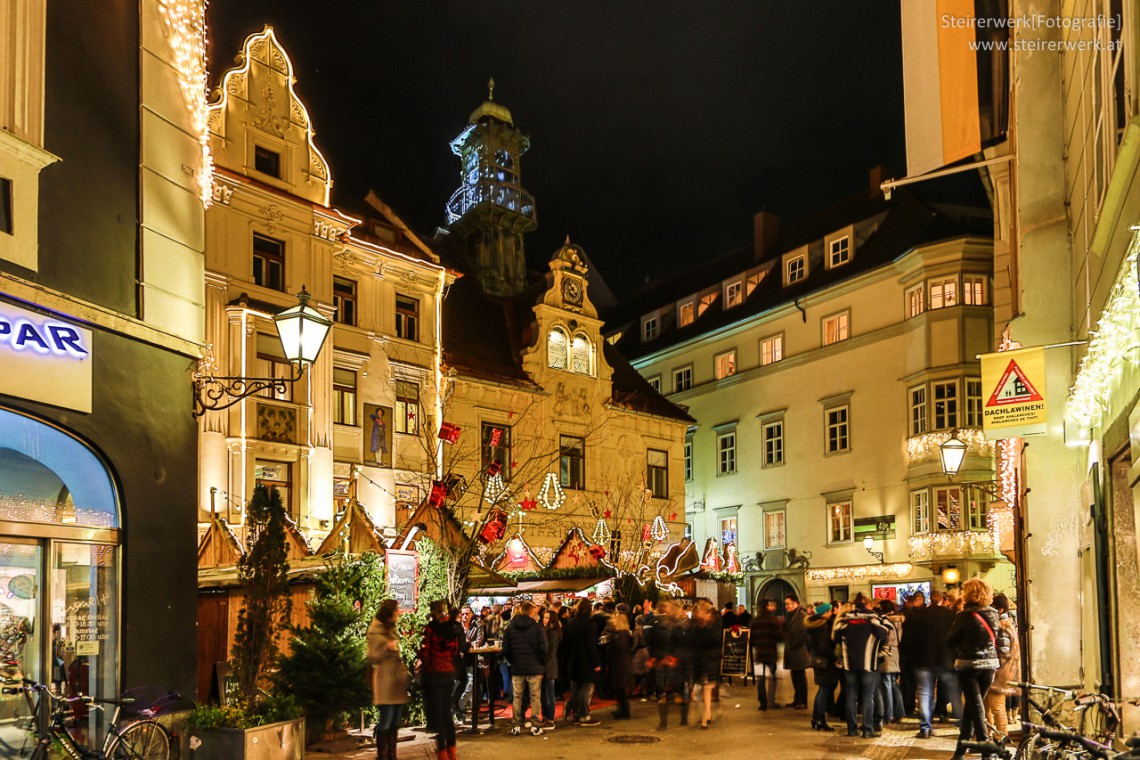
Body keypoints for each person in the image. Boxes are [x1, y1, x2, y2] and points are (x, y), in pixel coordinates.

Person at [946, 578, 1001, 760]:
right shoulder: (994, 613)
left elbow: (950, 641)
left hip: (968, 665)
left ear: (968, 594)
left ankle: (986, 748)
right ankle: (960, 750)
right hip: (990, 665)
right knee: (972, 705)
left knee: (976, 707)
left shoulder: (964, 615)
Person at [833, 593, 891, 738]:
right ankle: (867, 729)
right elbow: (885, 634)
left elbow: (836, 637)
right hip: (868, 663)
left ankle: (852, 729)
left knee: (851, 695)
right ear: (866, 603)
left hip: (849, 663)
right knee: (867, 696)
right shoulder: (873, 618)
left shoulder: (845, 618)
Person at [907, 591, 962, 738]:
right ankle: (964, 724)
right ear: (943, 600)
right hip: (946, 660)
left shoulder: (921, 616)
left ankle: (925, 728)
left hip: (924, 660)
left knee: (925, 694)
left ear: (929, 599)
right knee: (953, 693)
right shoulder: (950, 616)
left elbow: (913, 639)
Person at [367, 600, 410, 760]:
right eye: (396, 610)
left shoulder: (392, 629)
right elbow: (372, 658)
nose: (399, 612)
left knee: (395, 721)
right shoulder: (375, 631)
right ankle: (382, 756)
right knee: (386, 721)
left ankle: (392, 755)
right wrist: (387, 648)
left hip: (397, 681)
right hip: (385, 681)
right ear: (389, 613)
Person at [418, 600, 459, 760]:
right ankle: (452, 752)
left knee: (438, 715)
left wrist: (420, 660)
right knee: (447, 714)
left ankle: (442, 752)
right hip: (448, 674)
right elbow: (454, 651)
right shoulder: (451, 629)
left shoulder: (430, 630)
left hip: (434, 674)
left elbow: (426, 652)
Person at [502, 600, 547, 736]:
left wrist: (514, 661)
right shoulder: (537, 627)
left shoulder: (511, 627)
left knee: (517, 697)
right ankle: (535, 725)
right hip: (534, 667)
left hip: (517, 667)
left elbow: (506, 649)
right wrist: (541, 664)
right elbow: (544, 648)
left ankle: (516, 724)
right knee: (535, 697)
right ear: (531, 612)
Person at [984, 593, 1020, 740]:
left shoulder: (1002, 626)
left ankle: (1001, 739)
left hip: (999, 671)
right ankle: (988, 736)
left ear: (999, 610)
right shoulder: (1007, 624)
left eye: (992, 607)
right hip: (996, 670)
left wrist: (997, 667)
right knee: (987, 706)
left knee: (997, 708)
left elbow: (1004, 652)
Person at [654, 600, 691, 730]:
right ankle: (663, 722)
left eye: (669, 608)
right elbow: (658, 642)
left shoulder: (680, 626)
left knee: (679, 693)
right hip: (666, 662)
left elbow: (683, 645)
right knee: (665, 694)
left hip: (677, 664)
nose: (666, 610)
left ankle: (683, 719)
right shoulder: (662, 624)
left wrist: (674, 657)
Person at [688, 600, 723, 729]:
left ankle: (706, 715)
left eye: (701, 612)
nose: (700, 614)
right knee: (700, 691)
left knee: (706, 689)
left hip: (709, 661)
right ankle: (706, 714)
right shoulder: (696, 625)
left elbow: (714, 641)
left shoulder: (714, 624)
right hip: (699, 661)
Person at [568, 600, 602, 725]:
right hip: (586, 660)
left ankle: (576, 713)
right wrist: (596, 663)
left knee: (576, 688)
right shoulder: (589, 623)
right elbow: (591, 644)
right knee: (586, 688)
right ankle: (584, 715)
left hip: (574, 659)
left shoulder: (571, 622)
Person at [805, 601, 838, 731]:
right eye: (830, 611)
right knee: (824, 690)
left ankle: (816, 718)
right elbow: (824, 647)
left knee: (822, 690)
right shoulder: (823, 626)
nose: (831, 614)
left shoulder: (812, 625)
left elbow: (809, 645)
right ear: (825, 613)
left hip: (816, 660)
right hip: (825, 662)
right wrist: (834, 657)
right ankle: (819, 719)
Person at [876, 599, 906, 727]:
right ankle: (899, 711)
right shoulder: (899, 621)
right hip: (896, 651)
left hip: (887, 650)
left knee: (886, 683)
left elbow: (883, 639)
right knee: (893, 683)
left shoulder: (886, 622)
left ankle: (889, 714)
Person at [749, 599, 780, 711]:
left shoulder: (755, 621)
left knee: (761, 679)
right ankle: (771, 701)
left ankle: (762, 702)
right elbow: (779, 636)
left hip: (760, 653)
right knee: (772, 677)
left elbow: (751, 639)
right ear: (767, 607)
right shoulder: (773, 620)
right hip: (771, 653)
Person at [782, 594, 810, 708]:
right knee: (795, 675)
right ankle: (797, 699)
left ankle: (802, 701)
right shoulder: (791, 615)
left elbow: (805, 634)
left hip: (798, 650)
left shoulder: (802, 615)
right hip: (792, 650)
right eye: (786, 604)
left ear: (796, 603)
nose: (787, 606)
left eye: (789, 604)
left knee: (800, 677)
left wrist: (794, 643)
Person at [606, 612, 634, 719]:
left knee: (621, 689)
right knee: (620, 689)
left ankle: (625, 711)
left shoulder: (622, 634)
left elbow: (621, 647)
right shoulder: (623, 633)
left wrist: (612, 641)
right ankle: (621, 709)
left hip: (621, 664)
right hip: (621, 663)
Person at [541, 607, 562, 729]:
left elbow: (550, 653)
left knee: (549, 694)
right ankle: (546, 717)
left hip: (549, 667)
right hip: (547, 666)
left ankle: (550, 719)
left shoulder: (552, 633)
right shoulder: (547, 632)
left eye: (547, 618)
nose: (545, 619)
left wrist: (543, 669)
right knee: (545, 694)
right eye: (544, 617)